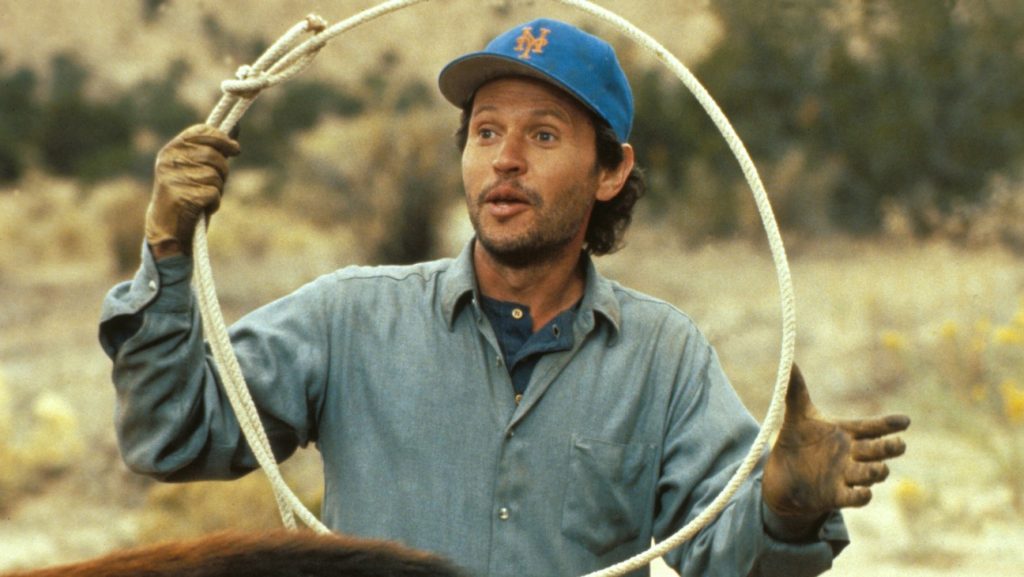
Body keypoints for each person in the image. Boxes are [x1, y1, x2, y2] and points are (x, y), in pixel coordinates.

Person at [99, 18, 909, 577]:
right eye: (486, 132)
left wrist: (784, 504)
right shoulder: (349, 318)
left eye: (543, 134)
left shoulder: (663, 357)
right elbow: (169, 435)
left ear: (611, 171)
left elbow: (730, 556)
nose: (505, 159)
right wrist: (166, 244)